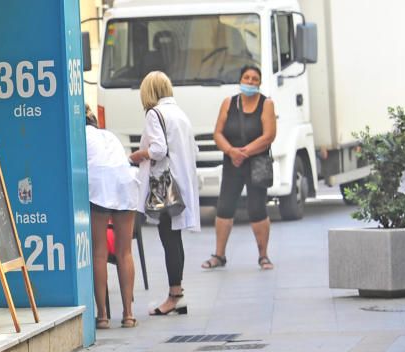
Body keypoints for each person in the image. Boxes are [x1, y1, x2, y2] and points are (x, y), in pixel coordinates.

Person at [129, 71, 199, 316]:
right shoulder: (179, 113)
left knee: (168, 238)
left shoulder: (154, 113)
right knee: (174, 238)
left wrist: (139, 155)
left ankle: (174, 296)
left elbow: (158, 150)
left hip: (164, 186)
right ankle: (176, 294)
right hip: (180, 183)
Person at [202, 65, 277, 270]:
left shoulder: (266, 104)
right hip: (232, 161)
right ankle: (219, 255)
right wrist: (231, 151)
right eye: (247, 77)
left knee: (257, 208)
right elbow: (217, 133)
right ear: (240, 80)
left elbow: (269, 136)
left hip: (257, 162)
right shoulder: (229, 103)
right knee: (224, 206)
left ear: (260, 83)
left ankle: (263, 256)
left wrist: (243, 152)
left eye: (255, 79)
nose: (250, 82)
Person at [85, 105, 139, 328]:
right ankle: (128, 315)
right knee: (124, 251)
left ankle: (103, 316)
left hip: (99, 185)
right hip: (125, 181)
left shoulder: (78, 136)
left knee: (99, 252)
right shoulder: (108, 135)